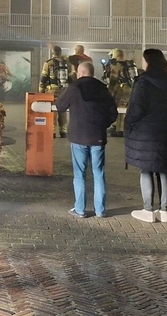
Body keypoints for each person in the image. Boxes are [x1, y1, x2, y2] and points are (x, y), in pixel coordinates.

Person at [124, 48, 167, 224]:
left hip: (146, 133)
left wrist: (129, 124)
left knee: (146, 169)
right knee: (162, 170)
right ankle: (164, 211)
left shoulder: (143, 82)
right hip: (165, 132)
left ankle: (148, 210)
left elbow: (136, 108)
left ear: (148, 61)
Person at [56, 61, 117, 218]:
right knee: (99, 173)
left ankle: (80, 209)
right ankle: (100, 210)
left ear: (80, 72)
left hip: (78, 137)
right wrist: (103, 124)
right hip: (97, 136)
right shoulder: (103, 88)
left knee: (79, 174)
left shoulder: (74, 87)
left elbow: (60, 106)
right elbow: (113, 112)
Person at [39, 45, 71, 137]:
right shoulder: (66, 63)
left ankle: (52, 130)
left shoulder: (48, 63)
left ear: (52, 52)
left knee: (52, 110)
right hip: (64, 90)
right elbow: (70, 77)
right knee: (63, 110)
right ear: (60, 52)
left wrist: (41, 90)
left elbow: (43, 78)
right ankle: (63, 131)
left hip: (52, 90)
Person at [106, 49, 137, 137]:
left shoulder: (117, 65)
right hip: (131, 88)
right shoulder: (129, 64)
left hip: (122, 88)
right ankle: (119, 126)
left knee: (120, 108)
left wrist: (109, 90)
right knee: (125, 107)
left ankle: (120, 130)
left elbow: (113, 79)